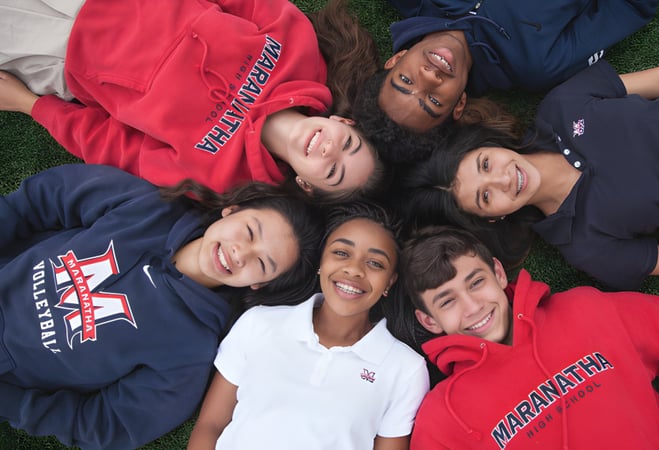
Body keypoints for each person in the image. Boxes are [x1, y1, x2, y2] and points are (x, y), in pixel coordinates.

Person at [401, 38, 659, 296]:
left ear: (486, 145)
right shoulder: (585, 244)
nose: (504, 178)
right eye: (485, 197)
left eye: (485, 164)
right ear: (491, 219)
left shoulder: (561, 107)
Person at [0, 163, 324, 450]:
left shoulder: (190, 352)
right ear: (232, 210)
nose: (241, 253)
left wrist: (13, 402)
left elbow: (111, 424)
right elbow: (46, 197)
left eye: (263, 264)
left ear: (259, 285)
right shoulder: (147, 207)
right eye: (251, 231)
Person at [394, 226, 659, 450]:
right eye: (447, 301)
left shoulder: (584, 309)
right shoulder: (443, 419)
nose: (472, 307)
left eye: (476, 282)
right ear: (429, 320)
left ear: (498, 273)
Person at [0, 0, 383, 199]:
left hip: (62, 53)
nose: (329, 150)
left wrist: (28, 104)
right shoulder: (301, 56)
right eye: (348, 144)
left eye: (333, 172)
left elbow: (117, 149)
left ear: (306, 185)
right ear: (344, 123)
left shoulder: (221, 178)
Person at [187, 201, 430, 450]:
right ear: (320, 261)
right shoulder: (259, 323)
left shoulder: (405, 370)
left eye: (375, 263)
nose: (354, 270)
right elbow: (210, 425)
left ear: (390, 281)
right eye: (341, 253)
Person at [350, 0, 658, 162]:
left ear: (396, 59)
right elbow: (631, 6)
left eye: (405, 79)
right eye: (433, 101)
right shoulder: (537, 64)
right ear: (459, 105)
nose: (429, 77)